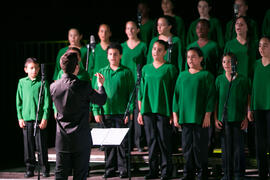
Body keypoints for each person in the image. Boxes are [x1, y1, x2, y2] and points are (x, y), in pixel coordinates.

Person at [50, 52, 107, 180]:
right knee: (80, 175)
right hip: (80, 138)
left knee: (60, 174)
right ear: (77, 67)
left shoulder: (53, 87)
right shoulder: (84, 86)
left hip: (62, 139)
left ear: (61, 67)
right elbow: (101, 100)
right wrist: (100, 85)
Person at [92, 42, 134, 178]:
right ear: (107, 56)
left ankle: (123, 169)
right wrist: (96, 111)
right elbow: (95, 94)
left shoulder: (126, 72)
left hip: (122, 112)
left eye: (115, 54)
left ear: (120, 55)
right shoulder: (101, 72)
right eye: (110, 54)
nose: (113, 56)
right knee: (108, 143)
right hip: (106, 112)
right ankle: (109, 168)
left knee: (123, 143)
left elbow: (131, 94)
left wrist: (130, 111)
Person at [173, 47, 215, 180]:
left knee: (200, 146)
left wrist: (208, 115)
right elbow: (176, 96)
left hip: (199, 117)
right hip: (185, 117)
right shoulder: (182, 75)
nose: (190, 59)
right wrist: (175, 114)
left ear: (201, 58)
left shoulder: (206, 75)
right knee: (186, 147)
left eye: (193, 57)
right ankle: (188, 172)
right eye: (188, 57)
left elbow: (210, 97)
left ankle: (202, 172)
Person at [138, 40, 178, 180]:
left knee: (164, 141)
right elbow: (141, 91)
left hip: (163, 109)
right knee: (151, 141)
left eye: (159, 49)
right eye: (154, 49)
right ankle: (153, 170)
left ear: (165, 52)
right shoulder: (145, 69)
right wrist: (140, 111)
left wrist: (174, 112)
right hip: (148, 110)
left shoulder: (170, 68)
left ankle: (166, 171)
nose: (156, 52)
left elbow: (174, 92)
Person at [215, 53, 250, 180]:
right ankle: (227, 173)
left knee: (238, 148)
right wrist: (215, 118)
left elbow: (247, 97)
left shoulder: (243, 79)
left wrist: (246, 116)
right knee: (226, 147)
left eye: (230, 61)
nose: (227, 64)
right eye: (224, 62)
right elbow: (216, 100)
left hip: (238, 118)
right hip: (224, 119)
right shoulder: (219, 80)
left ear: (236, 63)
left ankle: (238, 173)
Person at [16, 57, 50, 178]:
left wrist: (45, 118)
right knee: (28, 145)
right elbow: (18, 101)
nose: (34, 70)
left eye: (36, 68)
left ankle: (44, 168)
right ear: (26, 69)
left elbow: (47, 102)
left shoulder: (43, 82)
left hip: (39, 119)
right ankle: (29, 168)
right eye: (31, 68)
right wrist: (20, 117)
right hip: (26, 119)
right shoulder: (22, 82)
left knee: (41, 145)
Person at [121, 20, 147, 152]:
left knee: (138, 112)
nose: (130, 31)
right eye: (127, 28)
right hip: (125, 83)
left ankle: (138, 141)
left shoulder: (143, 46)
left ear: (137, 30)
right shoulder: (122, 46)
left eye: (132, 28)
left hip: (138, 83)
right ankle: (127, 142)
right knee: (126, 113)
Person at [250, 36, 270, 179]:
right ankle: (262, 172)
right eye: (260, 46)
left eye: (265, 45)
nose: (261, 49)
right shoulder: (256, 64)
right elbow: (252, 88)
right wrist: (250, 108)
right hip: (258, 107)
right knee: (260, 142)